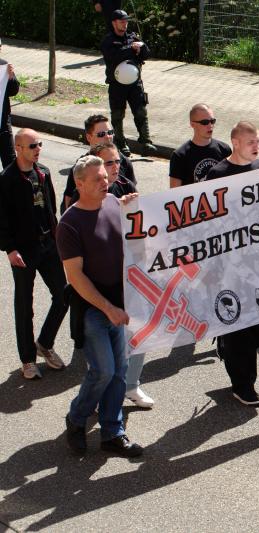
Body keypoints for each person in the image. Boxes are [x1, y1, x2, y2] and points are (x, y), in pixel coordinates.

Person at [57, 155, 143, 457]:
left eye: (106, 177)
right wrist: (108, 308)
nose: (105, 182)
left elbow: (135, 241)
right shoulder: (69, 223)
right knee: (103, 370)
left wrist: (134, 209)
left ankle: (112, 432)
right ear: (79, 184)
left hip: (119, 304)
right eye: (97, 179)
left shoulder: (112, 204)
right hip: (93, 309)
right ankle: (77, 419)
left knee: (119, 371)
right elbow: (76, 277)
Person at [206, 121, 259, 407]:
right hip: (230, 266)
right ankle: (244, 384)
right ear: (235, 142)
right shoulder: (218, 174)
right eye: (251, 142)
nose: (257, 147)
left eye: (258, 141)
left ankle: (228, 342)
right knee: (241, 324)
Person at [0, 129, 67, 379]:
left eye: (39, 144)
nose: (37, 149)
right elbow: (2, 218)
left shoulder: (44, 172)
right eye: (31, 146)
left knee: (63, 295)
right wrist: (10, 249)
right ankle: (27, 360)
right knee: (24, 305)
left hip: (48, 244)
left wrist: (58, 237)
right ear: (18, 148)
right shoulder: (6, 179)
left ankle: (44, 343)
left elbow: (50, 205)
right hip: (23, 250)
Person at [100, 9, 155, 157]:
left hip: (135, 84)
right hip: (117, 85)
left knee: (141, 112)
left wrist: (142, 48)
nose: (124, 25)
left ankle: (146, 142)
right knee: (118, 115)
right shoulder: (108, 41)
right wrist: (130, 49)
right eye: (121, 22)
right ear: (114, 23)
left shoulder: (132, 37)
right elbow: (113, 56)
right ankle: (120, 143)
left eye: (126, 22)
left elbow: (146, 54)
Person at [61, 113, 136, 213]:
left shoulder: (124, 162)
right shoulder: (81, 167)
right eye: (101, 134)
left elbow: (133, 195)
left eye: (110, 132)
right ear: (89, 137)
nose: (108, 137)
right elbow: (69, 202)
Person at [169, 103, 231, 188]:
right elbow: (174, 193)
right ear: (192, 124)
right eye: (205, 122)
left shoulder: (224, 149)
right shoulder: (180, 156)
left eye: (212, 121)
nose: (210, 126)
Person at [0, 38, 20, 168]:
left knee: (10, 161)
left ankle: (10, 187)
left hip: (3, 123)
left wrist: (11, 76)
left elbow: (13, 91)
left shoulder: (3, 66)